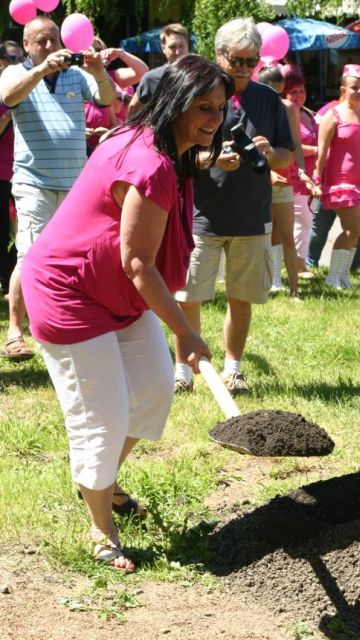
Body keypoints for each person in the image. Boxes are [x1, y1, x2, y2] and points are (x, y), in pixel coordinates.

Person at [20, 54, 233, 571]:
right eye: (202, 107)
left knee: (154, 389)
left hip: (115, 293)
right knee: (101, 415)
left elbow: (135, 265)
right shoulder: (149, 162)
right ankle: (101, 527)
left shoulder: (165, 147)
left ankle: (101, 483)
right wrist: (184, 332)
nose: (214, 119)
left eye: (220, 108)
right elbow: (138, 262)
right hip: (68, 294)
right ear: (174, 103)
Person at [174, 18, 294, 396]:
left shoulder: (268, 99)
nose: (243, 68)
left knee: (241, 298)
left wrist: (267, 151)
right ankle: (183, 370)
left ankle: (233, 369)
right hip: (202, 214)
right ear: (219, 55)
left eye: (251, 61)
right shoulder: (196, 94)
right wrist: (211, 160)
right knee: (189, 295)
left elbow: (286, 157)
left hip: (250, 216)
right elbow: (174, 156)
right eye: (236, 60)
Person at [0, 16, 116, 360]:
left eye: (54, 39)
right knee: (30, 254)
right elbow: (8, 97)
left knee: (76, 256)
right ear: (26, 46)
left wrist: (98, 71)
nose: (51, 47)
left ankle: (66, 321)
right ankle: (15, 331)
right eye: (41, 42)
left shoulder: (75, 74)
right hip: (33, 181)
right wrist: (40, 71)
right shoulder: (15, 72)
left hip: (75, 184)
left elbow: (107, 100)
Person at [314, 64, 360, 289]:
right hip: (341, 181)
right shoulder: (333, 116)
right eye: (355, 88)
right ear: (343, 89)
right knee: (352, 229)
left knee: (356, 230)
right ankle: (333, 277)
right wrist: (316, 180)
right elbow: (321, 152)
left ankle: (342, 276)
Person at [258, 65, 311, 297]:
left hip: (285, 178)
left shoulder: (288, 107)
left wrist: (301, 170)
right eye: (271, 90)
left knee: (287, 234)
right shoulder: (255, 107)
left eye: (279, 91)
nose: (275, 96)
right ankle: (271, 281)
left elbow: (295, 143)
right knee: (266, 233)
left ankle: (294, 289)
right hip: (258, 180)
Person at [283, 72, 319, 278]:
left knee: (306, 222)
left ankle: (300, 263)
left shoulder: (308, 113)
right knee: (301, 222)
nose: (298, 95)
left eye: (301, 91)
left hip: (310, 175)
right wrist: (317, 150)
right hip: (294, 174)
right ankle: (297, 266)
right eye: (293, 92)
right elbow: (293, 144)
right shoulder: (287, 114)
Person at [0, 41, 23, 298]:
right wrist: (9, 107)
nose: (17, 64)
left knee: (23, 234)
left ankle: (10, 280)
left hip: (22, 171)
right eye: (12, 59)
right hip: (1, 173)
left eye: (20, 58)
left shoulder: (26, 86)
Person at [127, 23, 189, 118]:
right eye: (172, 47)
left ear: (187, 46)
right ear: (163, 48)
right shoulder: (151, 78)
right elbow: (133, 110)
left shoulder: (199, 76)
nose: (177, 52)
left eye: (181, 46)